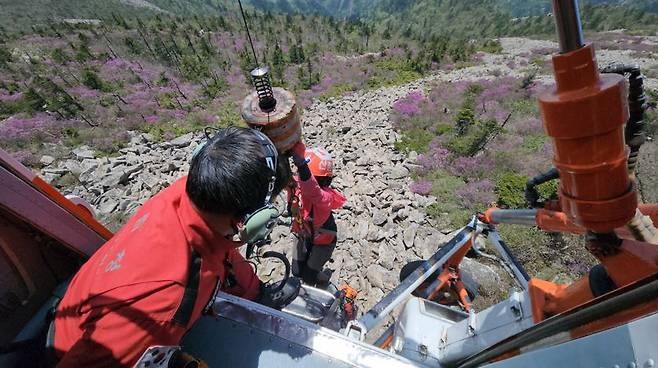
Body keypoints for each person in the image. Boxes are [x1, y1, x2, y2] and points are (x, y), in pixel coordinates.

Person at [52, 127, 296, 367]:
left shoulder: (189, 195)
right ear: (250, 221)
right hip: (83, 349)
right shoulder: (164, 303)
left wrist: (256, 293)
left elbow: (221, 250)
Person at [288, 142, 346, 286]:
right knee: (296, 271)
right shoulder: (297, 185)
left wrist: (302, 165)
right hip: (304, 233)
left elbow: (312, 191)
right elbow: (281, 178)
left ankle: (322, 277)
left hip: (324, 241)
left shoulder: (326, 197)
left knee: (309, 277)